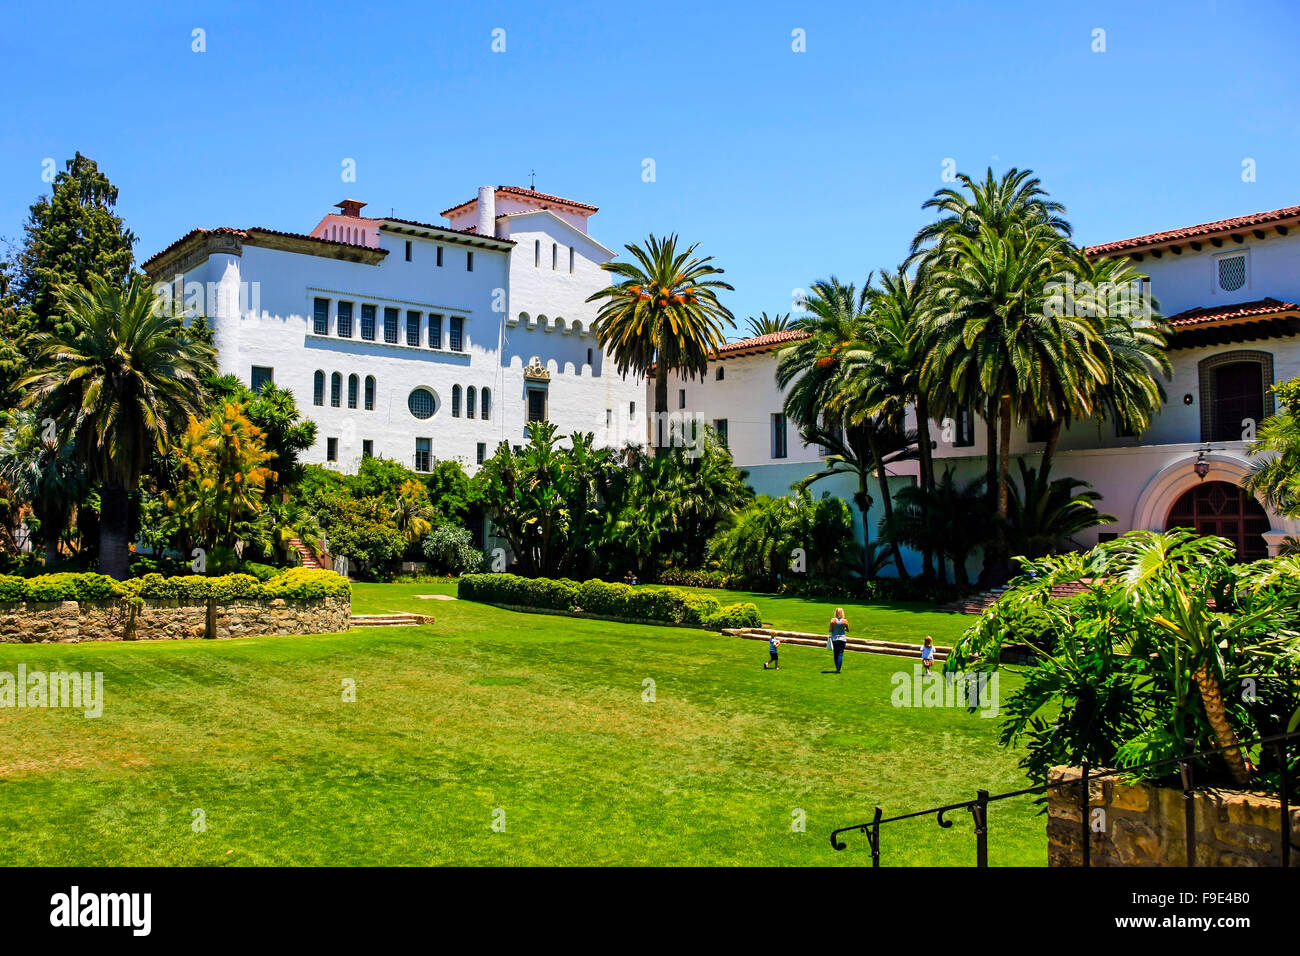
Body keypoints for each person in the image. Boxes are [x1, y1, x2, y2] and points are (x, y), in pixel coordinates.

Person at [828, 608, 849, 673]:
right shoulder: (845, 621)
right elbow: (848, 630)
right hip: (842, 639)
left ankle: (837, 668)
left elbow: (830, 630)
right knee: (840, 654)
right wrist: (843, 629)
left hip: (834, 639)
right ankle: (838, 670)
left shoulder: (833, 620)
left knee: (835, 654)